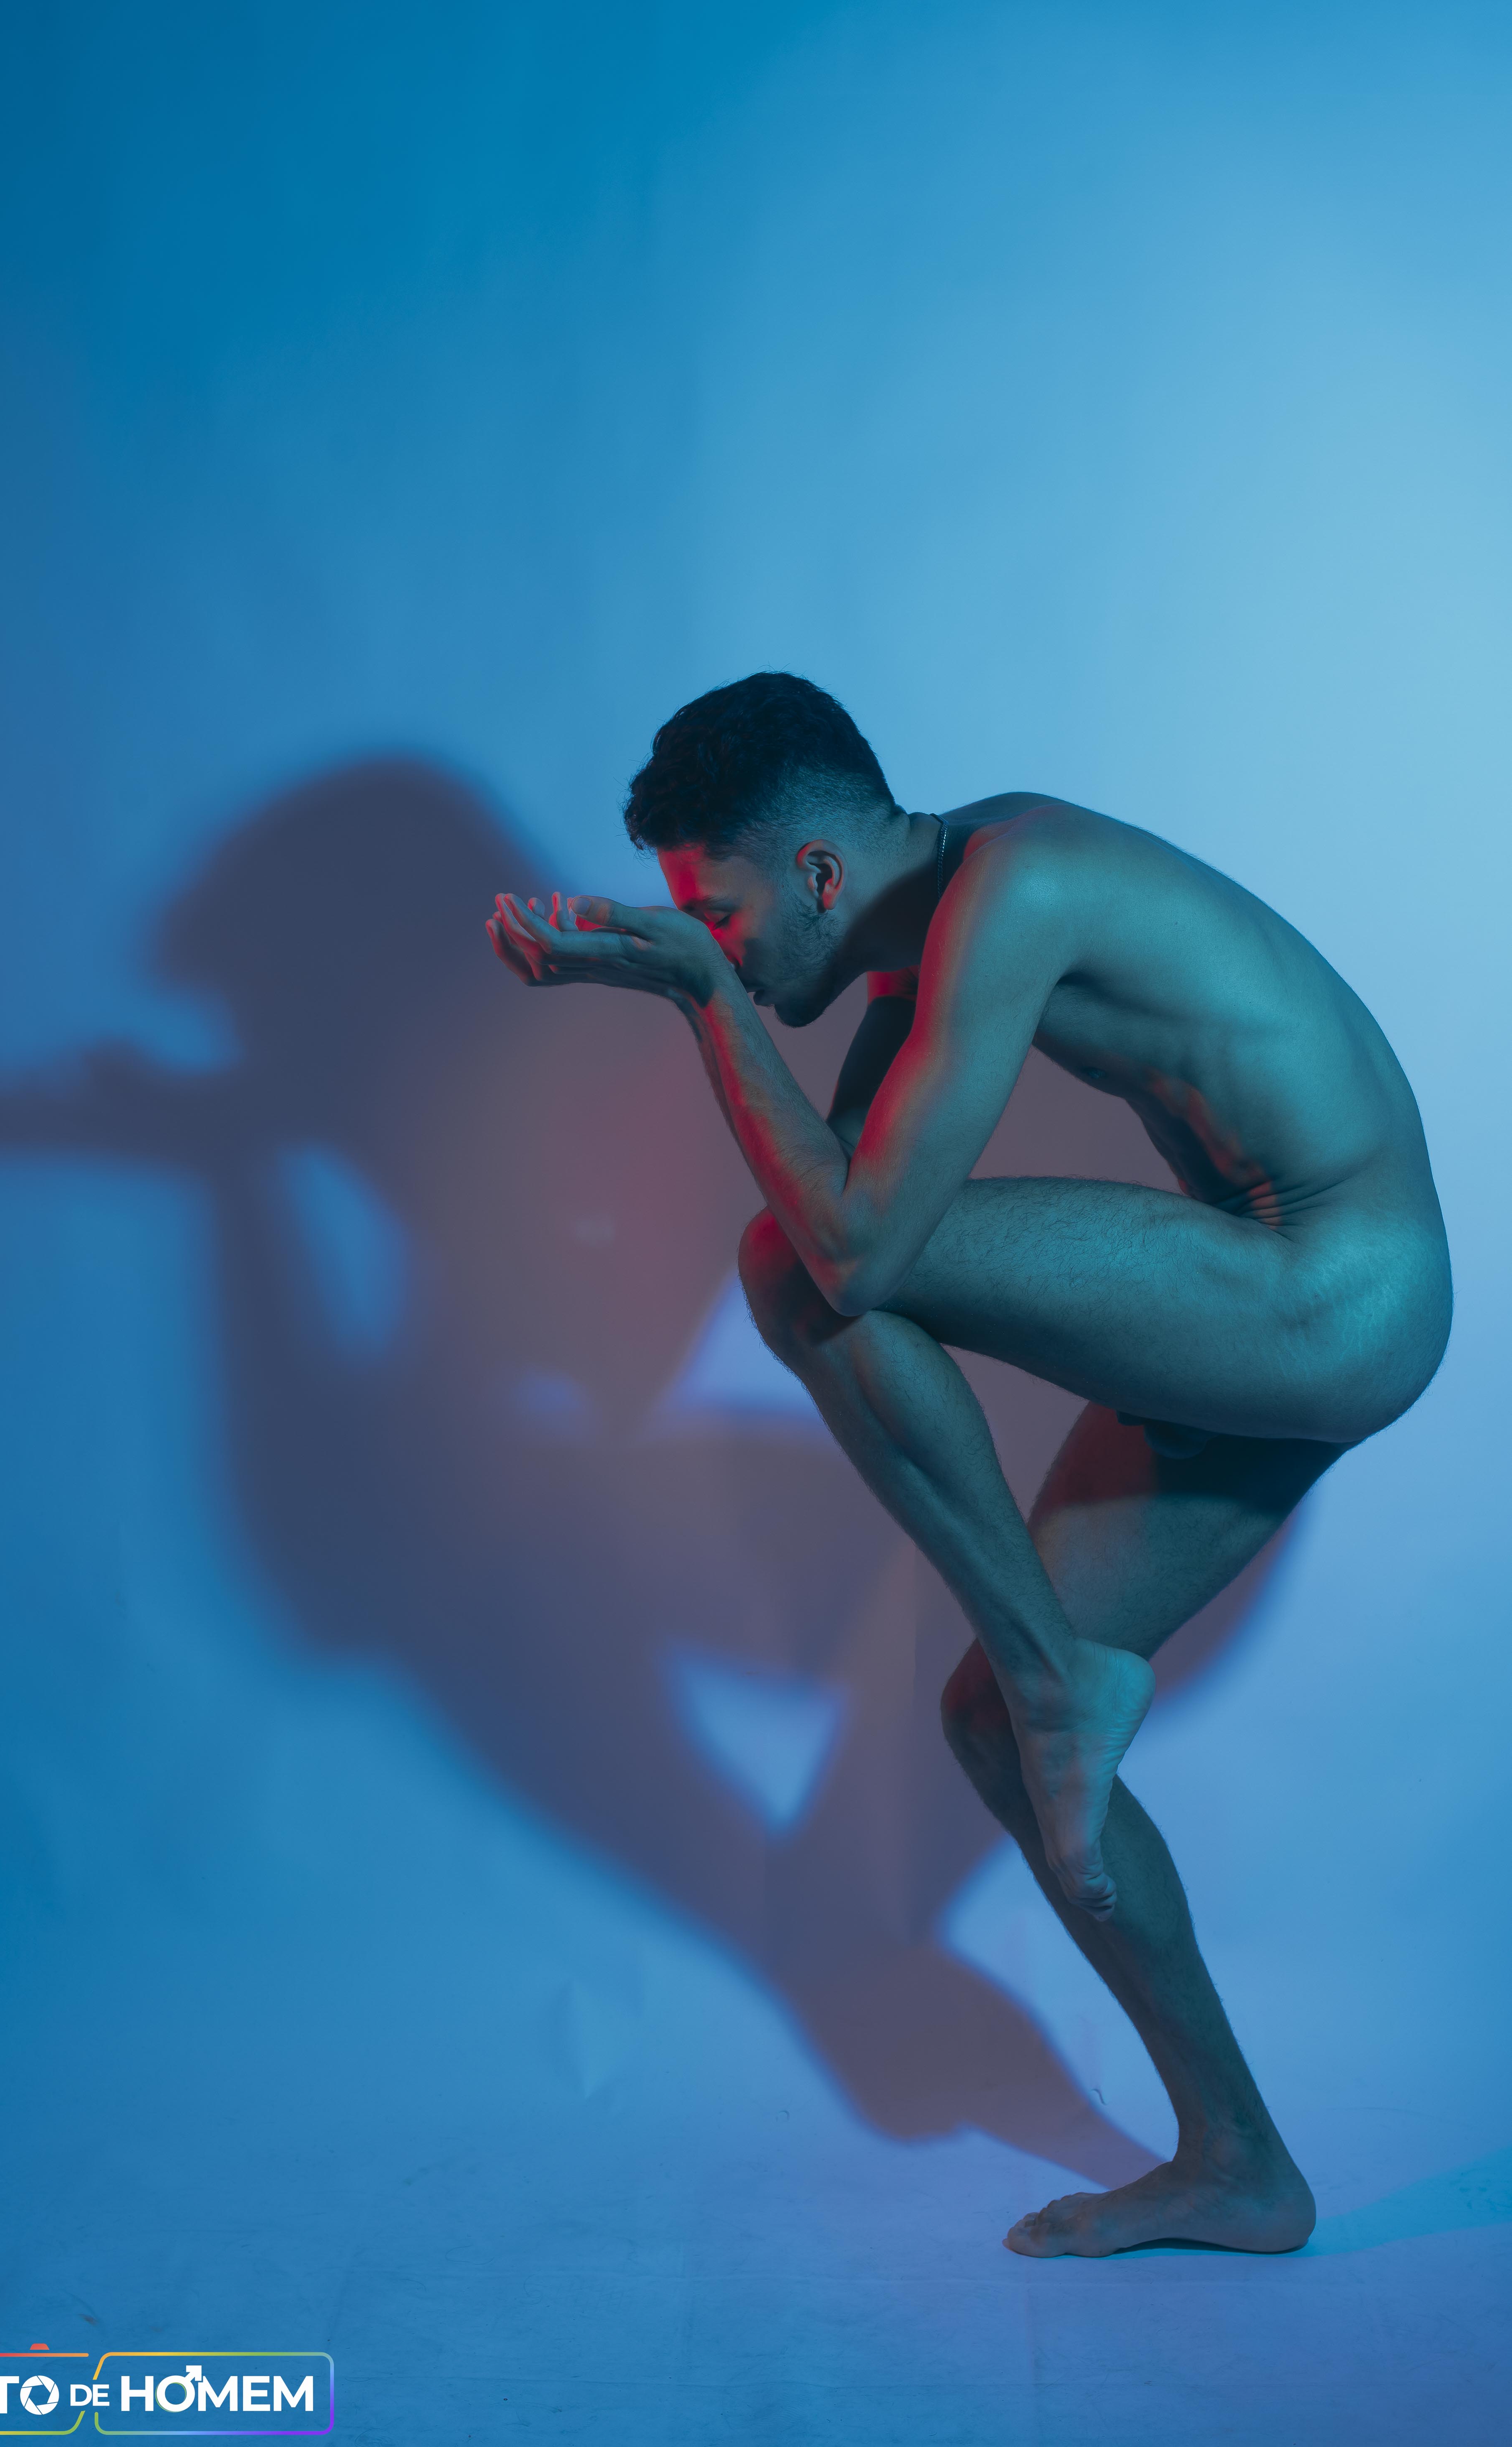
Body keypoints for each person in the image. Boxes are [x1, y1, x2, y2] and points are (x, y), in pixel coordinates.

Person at [485, 671, 1451, 2258]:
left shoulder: (1018, 884)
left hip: (1332, 1288)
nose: (720, 944)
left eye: (720, 914)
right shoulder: (918, 923)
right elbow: (841, 1186)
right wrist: (691, 975)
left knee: (802, 1273)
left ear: (815, 872)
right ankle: (1239, 2164)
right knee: (991, 1727)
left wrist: (702, 1001)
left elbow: (852, 1254)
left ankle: (1061, 1679)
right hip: (1261, 1298)